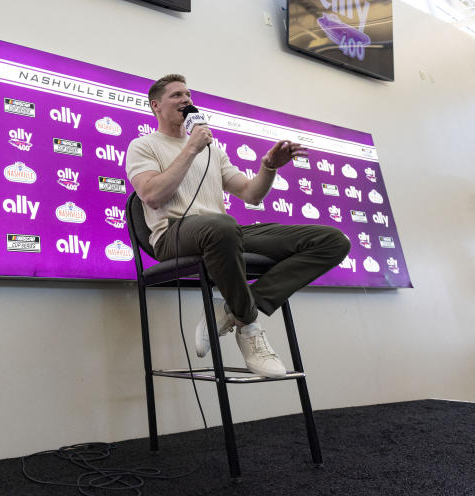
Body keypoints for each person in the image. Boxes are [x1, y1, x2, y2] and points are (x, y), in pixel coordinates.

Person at [125, 74, 350, 378]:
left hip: (222, 232)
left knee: (332, 240)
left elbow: (250, 193)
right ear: (156, 106)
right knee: (221, 225)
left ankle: (235, 309)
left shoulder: (213, 151)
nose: (186, 100)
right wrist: (190, 148)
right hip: (173, 235)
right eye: (177, 95)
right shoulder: (143, 146)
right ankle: (249, 328)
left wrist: (268, 167)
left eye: (189, 95)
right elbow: (152, 196)